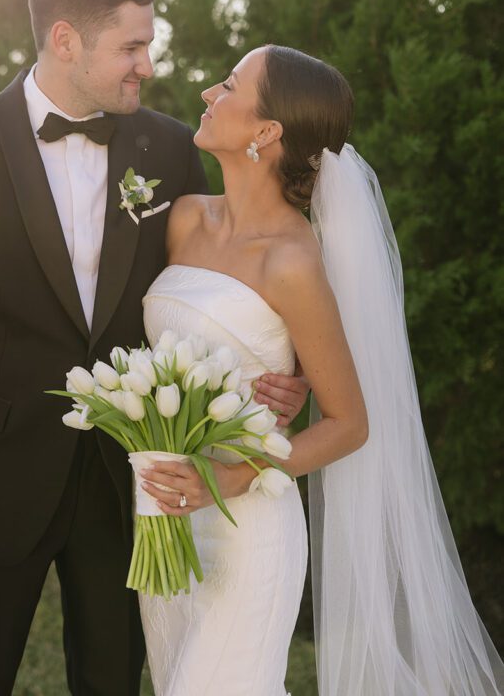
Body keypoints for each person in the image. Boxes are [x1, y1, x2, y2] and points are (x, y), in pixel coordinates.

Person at [0, 0, 310, 696]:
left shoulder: (175, 149)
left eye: (147, 45)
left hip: (132, 483)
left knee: (114, 680)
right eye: (132, 45)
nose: (146, 65)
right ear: (64, 40)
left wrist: (281, 374)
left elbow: (227, 282)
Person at [138, 45, 504, 696]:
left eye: (227, 85)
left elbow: (348, 424)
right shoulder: (185, 217)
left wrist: (224, 475)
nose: (206, 95)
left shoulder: (293, 260)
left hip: (242, 525)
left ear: (266, 132)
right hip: (160, 513)